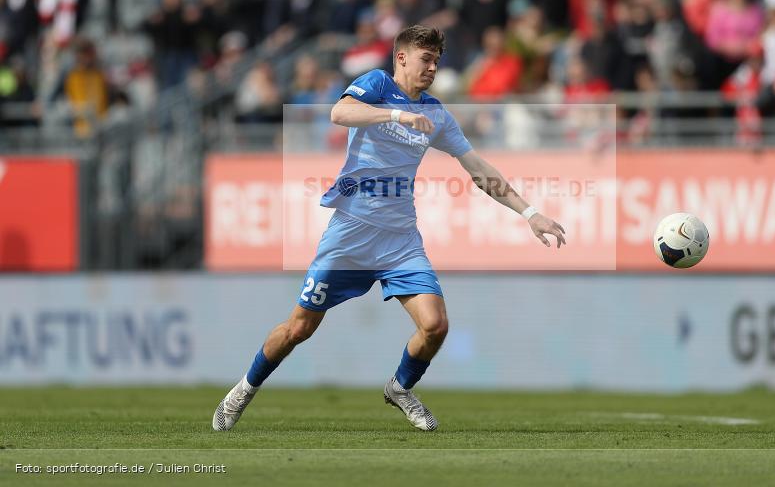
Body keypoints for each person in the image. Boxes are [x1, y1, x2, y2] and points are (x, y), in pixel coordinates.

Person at [213, 25, 567, 432]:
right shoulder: (378, 84)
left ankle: (400, 388)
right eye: (425, 59)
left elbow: (478, 168)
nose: (432, 68)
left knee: (435, 326)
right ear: (401, 58)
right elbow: (339, 113)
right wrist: (396, 114)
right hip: (350, 233)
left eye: (436, 61)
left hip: (400, 239)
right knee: (298, 328)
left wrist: (529, 213)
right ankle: (243, 389)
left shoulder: (436, 114)